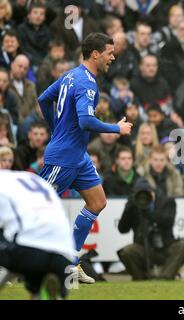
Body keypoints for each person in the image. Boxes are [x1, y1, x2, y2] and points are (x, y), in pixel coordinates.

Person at [37, 33, 133, 284]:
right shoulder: (86, 83)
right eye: (110, 52)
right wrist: (116, 128)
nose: (113, 57)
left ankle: (70, 262)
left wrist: (55, 128)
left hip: (77, 156)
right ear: (95, 54)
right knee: (33, 208)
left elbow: (44, 99)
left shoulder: (71, 75)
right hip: (63, 158)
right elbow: (86, 121)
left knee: (97, 202)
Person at [0, 170, 75, 299]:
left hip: (28, 250)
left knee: (18, 248)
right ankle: (43, 293)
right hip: (66, 256)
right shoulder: (31, 178)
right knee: (37, 284)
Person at [117, 177, 184, 280]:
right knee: (128, 251)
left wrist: (149, 212)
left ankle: (165, 277)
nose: (143, 199)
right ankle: (140, 279)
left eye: (147, 194)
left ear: (152, 191)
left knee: (181, 245)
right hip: (143, 248)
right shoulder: (135, 205)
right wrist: (128, 209)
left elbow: (167, 222)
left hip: (165, 246)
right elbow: (122, 229)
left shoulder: (167, 201)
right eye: (140, 195)